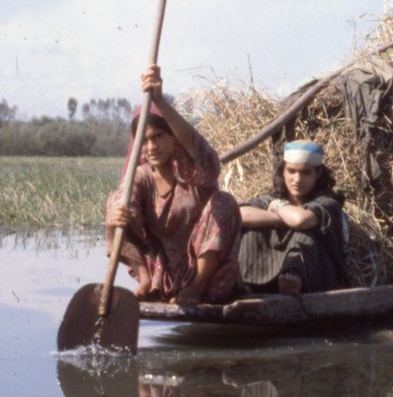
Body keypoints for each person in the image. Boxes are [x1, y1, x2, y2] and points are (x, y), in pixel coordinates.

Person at [106, 64, 244, 305]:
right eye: (145, 141)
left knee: (224, 202)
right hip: (163, 276)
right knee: (116, 204)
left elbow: (205, 157)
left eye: (158, 137)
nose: (151, 148)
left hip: (205, 278)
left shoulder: (191, 172)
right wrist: (116, 216)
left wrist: (159, 99)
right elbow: (125, 206)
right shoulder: (142, 177)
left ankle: (195, 288)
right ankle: (145, 280)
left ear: (173, 138)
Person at [238, 140, 349, 296]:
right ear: (283, 171)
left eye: (305, 172)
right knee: (252, 233)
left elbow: (300, 221)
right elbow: (241, 214)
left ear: (317, 174)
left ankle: (292, 283)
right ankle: (250, 286)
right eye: (291, 171)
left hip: (316, 279)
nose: (297, 179)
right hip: (268, 275)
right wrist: (280, 218)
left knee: (303, 236)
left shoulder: (328, 203)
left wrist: (277, 206)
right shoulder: (271, 198)